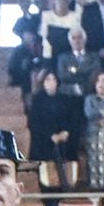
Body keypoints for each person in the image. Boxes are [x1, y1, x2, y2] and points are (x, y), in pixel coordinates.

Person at [27, 71, 81, 199]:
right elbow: (34, 123)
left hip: (64, 144)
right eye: (48, 80)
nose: (51, 83)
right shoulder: (37, 100)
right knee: (47, 178)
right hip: (44, 143)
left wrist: (66, 132)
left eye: (53, 79)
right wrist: (50, 136)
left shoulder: (66, 99)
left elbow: (73, 119)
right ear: (43, 83)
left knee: (65, 176)